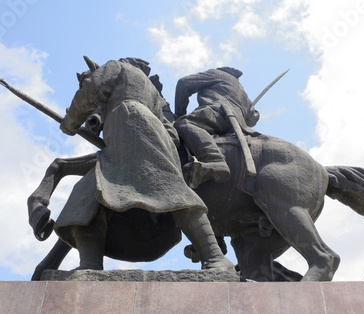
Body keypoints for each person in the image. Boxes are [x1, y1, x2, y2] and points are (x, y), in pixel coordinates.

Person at [57, 56, 234, 271]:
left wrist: (71, 121)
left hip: (130, 126)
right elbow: (171, 132)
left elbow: (92, 90)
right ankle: (90, 264)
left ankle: (215, 257)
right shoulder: (150, 89)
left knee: (172, 191)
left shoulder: (115, 67)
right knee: (87, 194)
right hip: (135, 136)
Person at [174, 67, 260, 187]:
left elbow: (184, 83)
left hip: (219, 112)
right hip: (237, 125)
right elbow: (253, 118)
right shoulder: (241, 90)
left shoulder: (218, 74)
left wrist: (179, 113)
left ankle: (214, 160)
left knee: (184, 123)